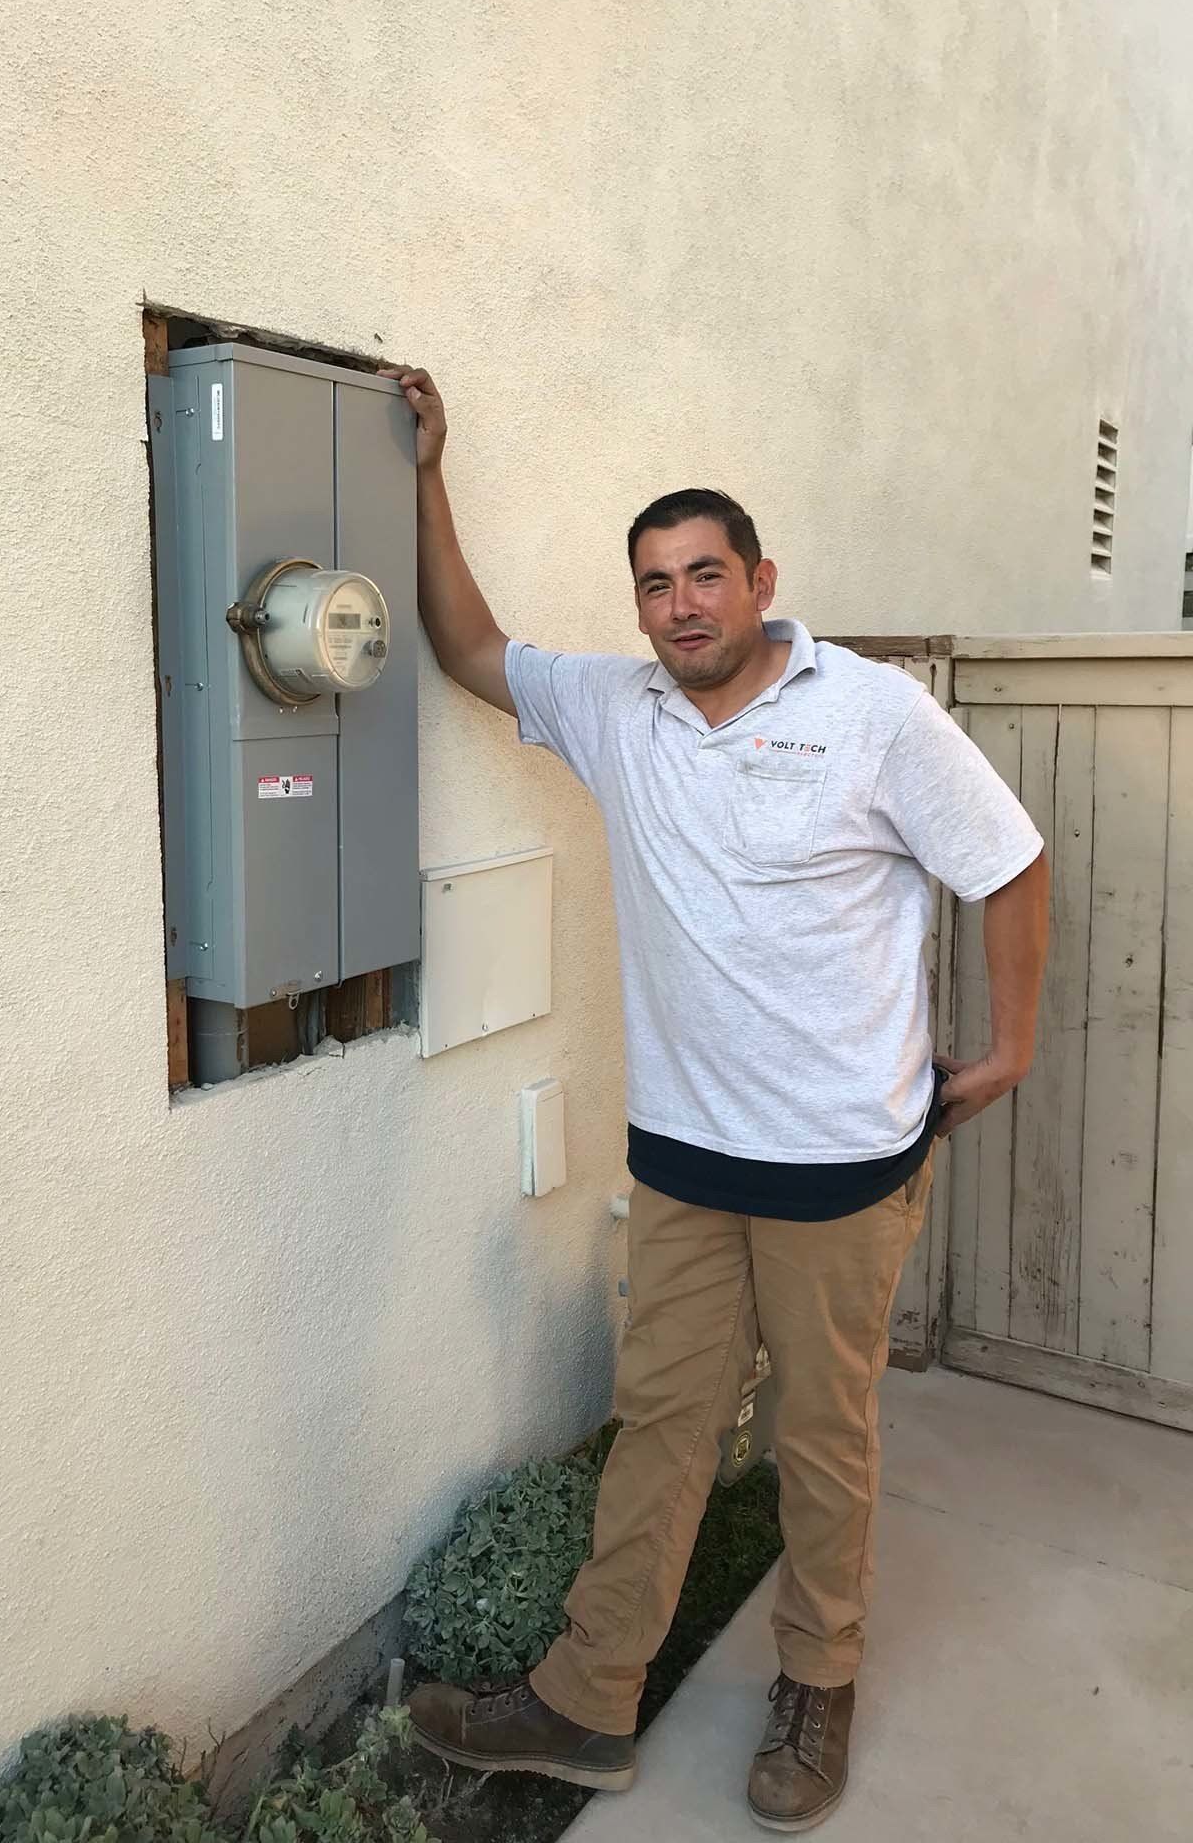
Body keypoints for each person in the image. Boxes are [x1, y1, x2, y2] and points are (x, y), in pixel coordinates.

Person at [380, 365, 1050, 1833]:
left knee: (822, 1436)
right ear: (637, 611)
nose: (681, 606)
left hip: (839, 1168)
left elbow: (1006, 858)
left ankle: (820, 1676)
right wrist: (434, 469)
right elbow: (470, 645)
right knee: (662, 1423)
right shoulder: (618, 712)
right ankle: (585, 1700)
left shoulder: (873, 713)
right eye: (654, 585)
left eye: (704, 576)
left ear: (760, 581)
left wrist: (1005, 1050)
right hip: (686, 1155)